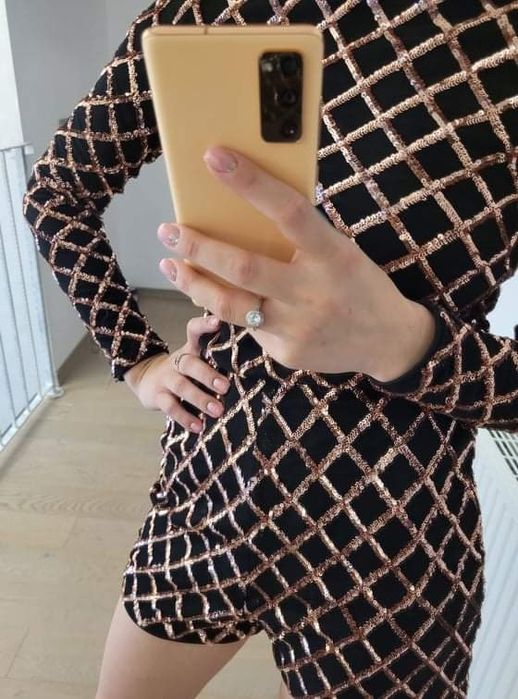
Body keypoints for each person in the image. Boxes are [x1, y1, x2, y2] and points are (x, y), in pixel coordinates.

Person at [22, 1, 518, 697]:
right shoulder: (208, 11)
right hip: (214, 482)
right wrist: (139, 360)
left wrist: (405, 343)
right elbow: (56, 194)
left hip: (396, 544)